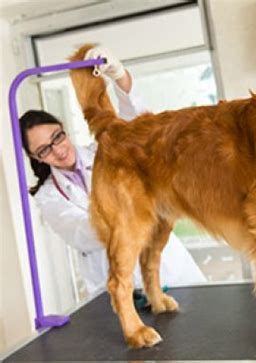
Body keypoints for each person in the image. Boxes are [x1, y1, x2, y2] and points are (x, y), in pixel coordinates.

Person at [19, 47, 206, 297]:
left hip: (171, 272)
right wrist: (131, 209)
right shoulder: (49, 196)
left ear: (64, 129)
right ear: (34, 157)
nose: (59, 150)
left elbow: (137, 128)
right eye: (44, 150)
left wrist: (120, 77)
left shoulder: (105, 151)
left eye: (58, 137)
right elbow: (82, 235)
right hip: (119, 288)